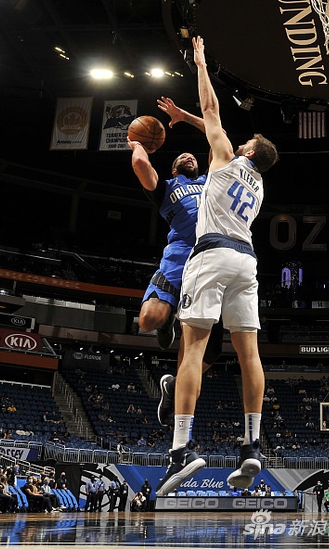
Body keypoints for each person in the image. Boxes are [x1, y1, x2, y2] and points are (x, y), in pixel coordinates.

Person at [156, 36, 279, 496]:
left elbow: (212, 112)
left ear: (246, 151)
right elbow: (211, 125)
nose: (238, 142)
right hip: (246, 262)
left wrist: (201, 64)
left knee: (192, 350)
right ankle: (251, 447)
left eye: (245, 142)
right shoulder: (258, 184)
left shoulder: (226, 157)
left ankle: (181, 451)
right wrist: (187, 118)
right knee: (250, 355)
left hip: (210, 254)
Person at [129, 97, 224, 426]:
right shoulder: (166, 187)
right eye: (182, 156)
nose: (189, 156)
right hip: (179, 258)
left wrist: (185, 117)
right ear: (173, 168)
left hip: (211, 262)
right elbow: (141, 166)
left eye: (192, 156)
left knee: (211, 353)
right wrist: (137, 144)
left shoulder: (210, 182)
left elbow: (217, 135)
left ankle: (173, 390)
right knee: (148, 320)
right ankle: (167, 320)